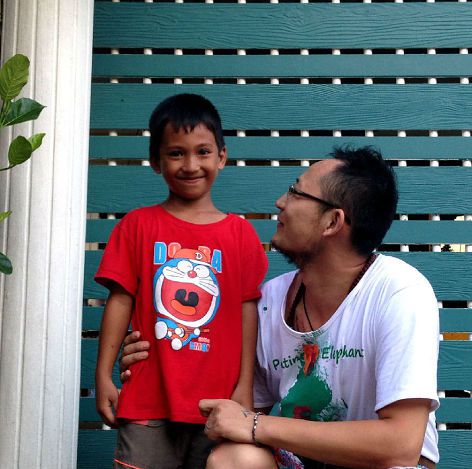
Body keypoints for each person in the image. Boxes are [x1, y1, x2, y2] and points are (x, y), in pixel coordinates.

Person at [121, 146, 440, 469]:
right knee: (234, 459)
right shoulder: (270, 301)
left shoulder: (398, 293)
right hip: (299, 464)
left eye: (295, 192)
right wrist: (156, 354)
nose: (280, 202)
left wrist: (256, 426)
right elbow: (235, 410)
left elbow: (402, 445)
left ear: (332, 221)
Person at [95, 93, 268, 469]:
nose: (191, 165)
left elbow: (247, 313)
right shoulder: (136, 226)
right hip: (147, 399)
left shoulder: (241, 235)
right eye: (176, 153)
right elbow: (120, 300)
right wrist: (104, 375)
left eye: (203, 152)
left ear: (222, 156)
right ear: (155, 161)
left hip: (218, 403)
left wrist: (244, 386)